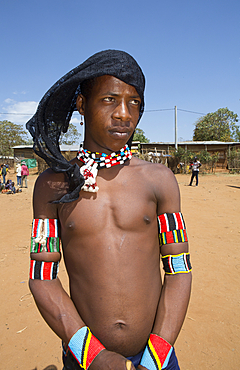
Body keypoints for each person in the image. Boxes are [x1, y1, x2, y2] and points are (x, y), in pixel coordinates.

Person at [27, 50, 192, 370]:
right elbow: (42, 277)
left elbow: (179, 269)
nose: (123, 114)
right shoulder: (52, 186)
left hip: (156, 358)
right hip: (84, 359)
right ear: (82, 105)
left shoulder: (160, 180)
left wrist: (155, 359)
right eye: (109, 99)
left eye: (134, 102)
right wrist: (93, 355)